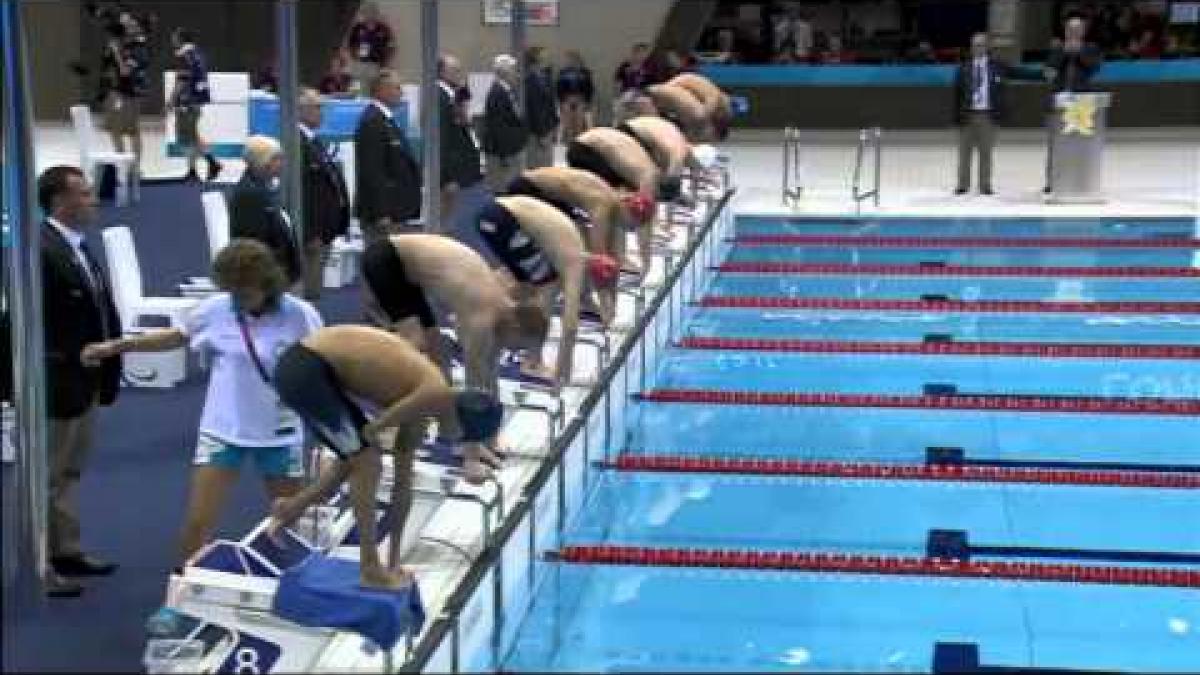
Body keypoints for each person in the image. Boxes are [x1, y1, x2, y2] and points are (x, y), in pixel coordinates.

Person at [81, 240, 322, 569]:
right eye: (232, 291)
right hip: (223, 430)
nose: (237, 300)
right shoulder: (216, 308)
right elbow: (174, 336)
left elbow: (327, 361)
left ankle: (295, 585)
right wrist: (117, 346)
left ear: (267, 284)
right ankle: (180, 596)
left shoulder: (300, 315)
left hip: (280, 433)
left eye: (245, 292)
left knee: (288, 520)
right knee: (198, 522)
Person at [267, 325, 505, 588]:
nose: (454, 444)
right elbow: (372, 432)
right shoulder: (432, 393)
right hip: (304, 369)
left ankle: (289, 509)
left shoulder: (430, 403)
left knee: (354, 458)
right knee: (367, 462)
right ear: (461, 425)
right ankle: (369, 569)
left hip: (314, 369)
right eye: (462, 439)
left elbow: (403, 487)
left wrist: (394, 561)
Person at [36, 166, 123, 598]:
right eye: (84, 194)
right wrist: (68, 358)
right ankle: (40, 564)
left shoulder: (76, 247)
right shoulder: (42, 249)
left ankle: (64, 549)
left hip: (85, 380)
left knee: (69, 471)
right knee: (47, 476)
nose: (93, 200)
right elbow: (30, 321)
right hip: (59, 381)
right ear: (60, 202)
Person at [360, 234, 547, 396]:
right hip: (386, 259)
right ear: (515, 326)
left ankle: (439, 408)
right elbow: (476, 382)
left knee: (437, 352)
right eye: (518, 347)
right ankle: (377, 389)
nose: (513, 351)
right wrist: (487, 431)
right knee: (415, 344)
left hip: (409, 267)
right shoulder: (482, 317)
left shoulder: (504, 308)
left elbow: (490, 366)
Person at [474, 196, 620, 388]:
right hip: (502, 219)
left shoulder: (577, 248)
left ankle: (477, 316)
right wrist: (564, 367)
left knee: (527, 281)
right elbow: (570, 324)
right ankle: (533, 362)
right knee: (547, 287)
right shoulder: (574, 264)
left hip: (494, 213)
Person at [505, 166, 654, 313]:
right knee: (570, 249)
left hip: (548, 195)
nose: (631, 229)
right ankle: (513, 296)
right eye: (632, 224)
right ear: (626, 208)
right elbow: (600, 264)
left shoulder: (613, 203)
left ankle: (583, 298)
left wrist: (611, 304)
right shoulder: (602, 207)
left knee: (581, 241)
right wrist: (607, 309)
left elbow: (611, 258)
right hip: (527, 191)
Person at [566, 127, 661, 273]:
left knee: (616, 207)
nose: (632, 227)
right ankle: (602, 259)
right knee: (607, 208)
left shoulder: (643, 173)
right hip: (587, 150)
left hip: (590, 146)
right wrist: (647, 265)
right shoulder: (648, 178)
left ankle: (617, 257)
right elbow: (644, 225)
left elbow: (642, 219)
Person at [354, 69, 422, 242]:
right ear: (382, 90)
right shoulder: (372, 121)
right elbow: (372, 171)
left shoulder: (386, 120)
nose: (401, 93)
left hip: (396, 210)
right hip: (385, 214)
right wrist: (381, 212)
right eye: (397, 88)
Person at [229, 136, 302, 289]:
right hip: (266, 278)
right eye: (277, 158)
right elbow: (255, 242)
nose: (282, 164)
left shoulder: (264, 189)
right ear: (262, 161)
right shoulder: (251, 195)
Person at [298, 89, 351, 300]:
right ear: (300, 111)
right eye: (317, 107)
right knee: (308, 287)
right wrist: (310, 233)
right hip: (313, 233)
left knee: (314, 287)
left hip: (324, 230)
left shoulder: (313, 141)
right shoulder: (298, 143)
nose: (322, 112)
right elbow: (302, 192)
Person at [1043, 16, 1103, 193]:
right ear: (1065, 31)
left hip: (1081, 104)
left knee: (1080, 144)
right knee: (1055, 145)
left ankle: (1080, 179)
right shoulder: (1057, 48)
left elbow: (1093, 67)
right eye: (1070, 29)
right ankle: (1053, 181)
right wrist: (1063, 52)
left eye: (1077, 29)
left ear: (1083, 32)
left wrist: (1077, 53)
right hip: (1059, 103)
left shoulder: (1091, 48)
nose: (1074, 32)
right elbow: (1049, 71)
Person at [953, 33, 1014, 196]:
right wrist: (957, 118)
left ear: (987, 47)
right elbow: (957, 94)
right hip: (967, 114)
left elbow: (1018, 72)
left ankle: (985, 184)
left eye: (980, 45)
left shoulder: (997, 66)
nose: (977, 48)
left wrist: (1042, 74)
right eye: (974, 45)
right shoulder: (964, 67)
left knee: (986, 152)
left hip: (987, 115)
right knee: (964, 153)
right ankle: (962, 184)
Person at [437, 54, 484, 232]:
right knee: (447, 219)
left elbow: (463, 121)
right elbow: (441, 140)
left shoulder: (453, 94)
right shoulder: (440, 98)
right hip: (452, 172)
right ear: (442, 72)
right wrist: (446, 176)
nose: (459, 73)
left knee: (457, 218)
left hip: (463, 169)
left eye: (459, 69)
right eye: (454, 70)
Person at [170, 28, 222, 182]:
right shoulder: (198, 54)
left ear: (180, 39)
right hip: (197, 101)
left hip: (187, 102)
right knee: (192, 137)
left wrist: (171, 100)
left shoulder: (182, 55)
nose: (172, 41)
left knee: (188, 137)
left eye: (174, 38)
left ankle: (210, 163)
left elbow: (181, 81)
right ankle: (196, 169)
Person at [101, 11, 149, 173]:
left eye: (129, 24)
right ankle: (121, 163)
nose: (126, 27)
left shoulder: (139, 48)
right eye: (123, 24)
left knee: (132, 130)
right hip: (115, 91)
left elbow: (125, 71)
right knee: (114, 129)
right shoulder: (120, 43)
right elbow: (108, 66)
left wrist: (116, 52)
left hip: (131, 93)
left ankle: (135, 168)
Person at [482, 54, 528, 192]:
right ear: (505, 72)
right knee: (502, 190)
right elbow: (498, 127)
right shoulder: (497, 93)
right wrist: (504, 155)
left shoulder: (506, 91)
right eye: (514, 70)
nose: (516, 74)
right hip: (502, 152)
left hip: (511, 149)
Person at [667, 72, 733, 141]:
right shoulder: (715, 97)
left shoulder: (716, 98)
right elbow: (703, 117)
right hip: (677, 87)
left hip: (680, 85)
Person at [524, 46, 560, 170]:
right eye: (544, 56)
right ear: (536, 60)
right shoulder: (530, 81)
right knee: (539, 167)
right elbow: (536, 109)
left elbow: (551, 104)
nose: (548, 58)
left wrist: (555, 125)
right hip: (538, 131)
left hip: (548, 126)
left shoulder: (544, 77)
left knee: (548, 164)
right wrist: (542, 134)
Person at [344, 1, 394, 90]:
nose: (369, 15)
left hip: (377, 65)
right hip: (360, 64)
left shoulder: (383, 29)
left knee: (375, 89)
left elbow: (391, 47)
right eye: (366, 12)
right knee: (360, 89)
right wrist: (353, 58)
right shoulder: (358, 28)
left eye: (372, 12)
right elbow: (349, 45)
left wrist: (385, 64)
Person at [556, 50, 595, 144]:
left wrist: (587, 101)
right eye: (569, 60)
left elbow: (589, 88)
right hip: (567, 99)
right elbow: (559, 88)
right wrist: (561, 101)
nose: (571, 62)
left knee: (579, 120)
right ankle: (570, 139)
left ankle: (578, 139)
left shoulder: (585, 72)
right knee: (568, 119)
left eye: (573, 60)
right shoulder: (563, 72)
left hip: (580, 99)